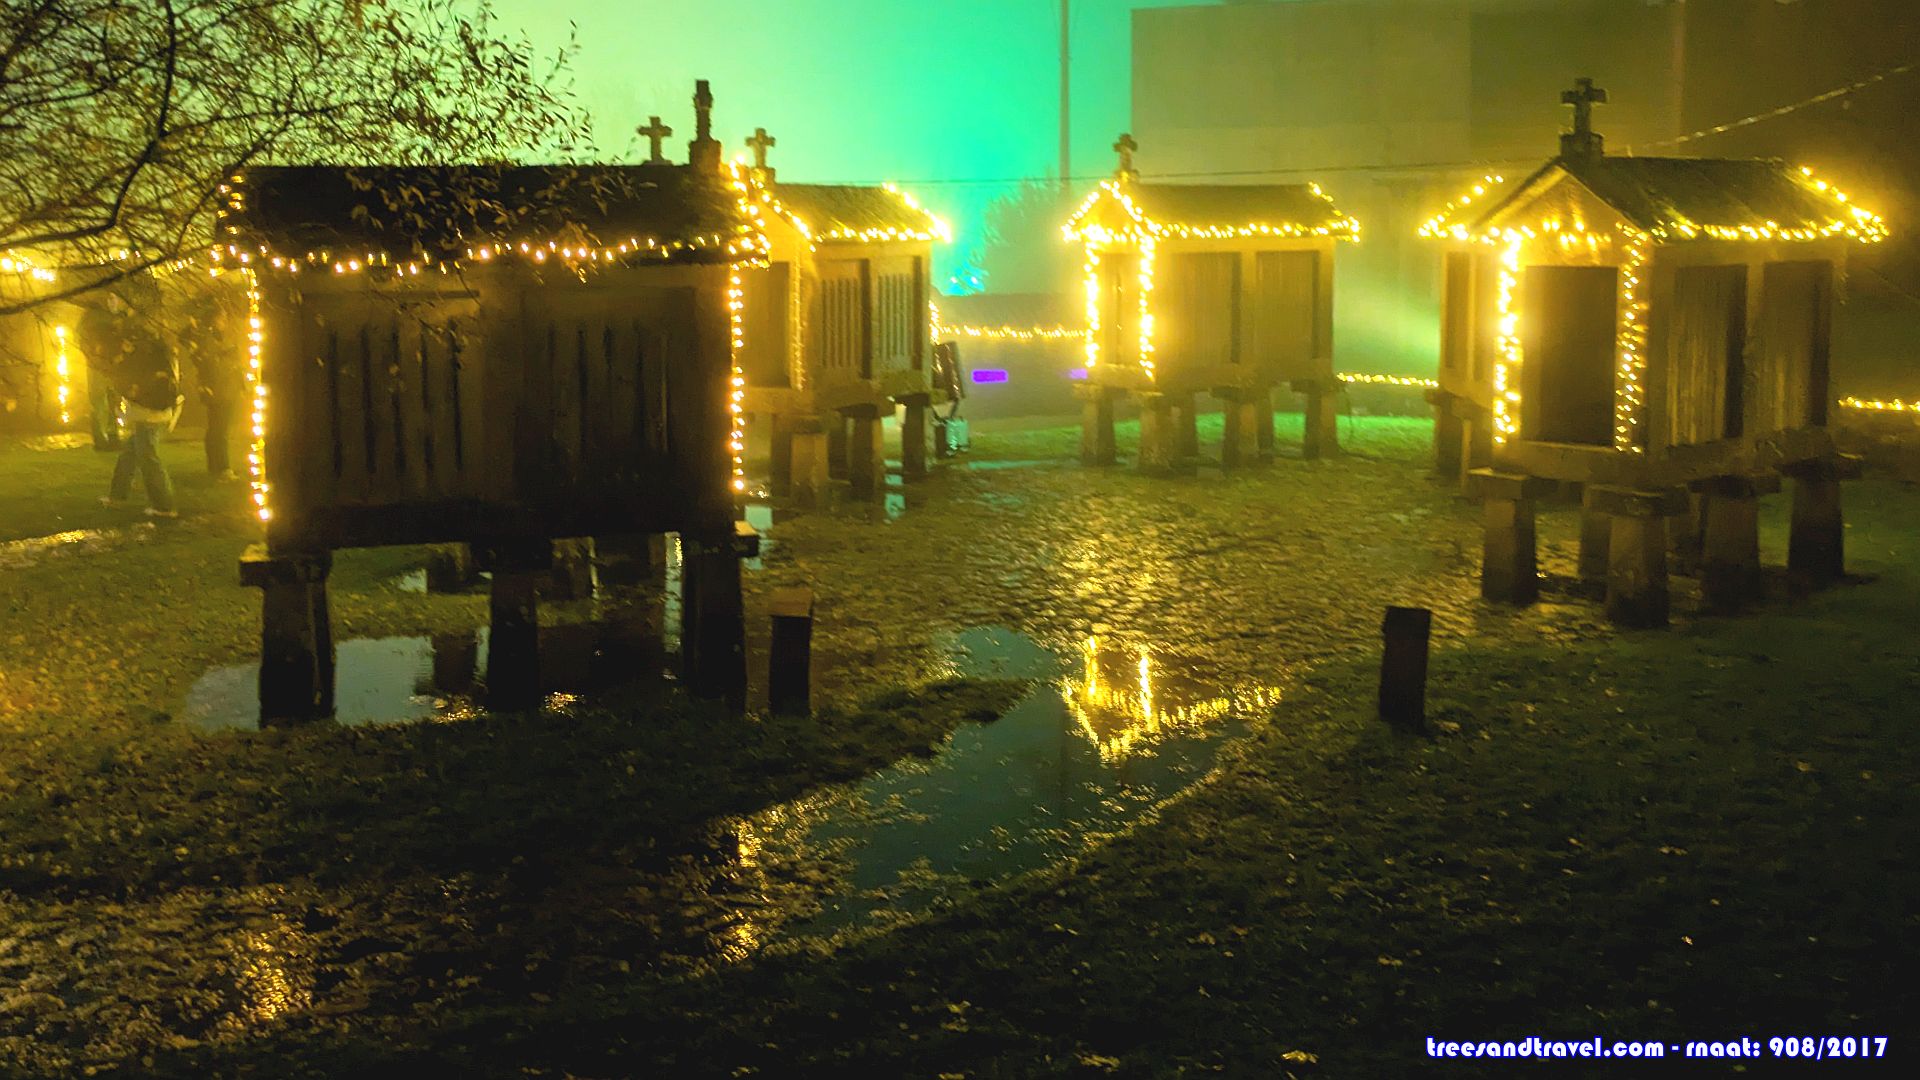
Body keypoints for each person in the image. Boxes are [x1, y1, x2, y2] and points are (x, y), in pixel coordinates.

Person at [97, 284, 182, 518]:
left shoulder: (145, 342)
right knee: (130, 453)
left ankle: (164, 506)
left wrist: (126, 362)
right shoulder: (151, 339)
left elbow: (143, 370)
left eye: (114, 298)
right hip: (146, 403)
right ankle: (118, 496)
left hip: (149, 405)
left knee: (148, 457)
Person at [74, 298, 124, 451]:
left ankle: (103, 438)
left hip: (101, 365)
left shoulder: (89, 319)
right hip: (106, 365)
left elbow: (80, 340)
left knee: (102, 403)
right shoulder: (107, 319)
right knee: (107, 402)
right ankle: (109, 437)